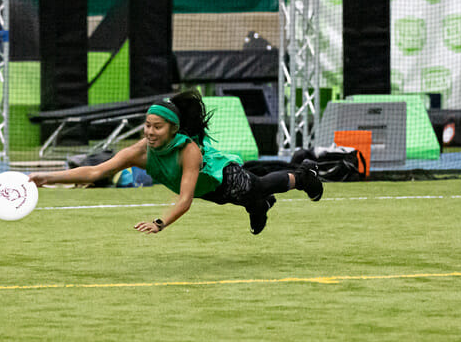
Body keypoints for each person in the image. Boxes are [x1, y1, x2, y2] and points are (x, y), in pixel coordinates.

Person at [28, 90, 323, 235]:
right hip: (210, 191)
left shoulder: (189, 151)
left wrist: (159, 223)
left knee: (256, 187)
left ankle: (304, 176)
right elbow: (96, 170)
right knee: (243, 200)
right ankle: (257, 205)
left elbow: (184, 200)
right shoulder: (139, 151)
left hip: (222, 176)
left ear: (172, 128)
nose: (149, 131)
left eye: (157, 127)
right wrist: (47, 178)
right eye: (146, 125)